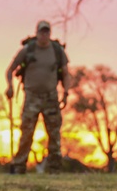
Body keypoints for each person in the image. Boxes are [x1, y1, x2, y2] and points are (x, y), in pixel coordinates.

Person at [5, 20, 71, 174]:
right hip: (31, 97)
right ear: (36, 33)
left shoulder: (57, 51)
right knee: (27, 133)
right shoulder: (28, 50)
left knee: (54, 134)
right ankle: (19, 167)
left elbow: (66, 74)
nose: (44, 34)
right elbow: (9, 70)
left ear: (50, 33)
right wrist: (10, 86)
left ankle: (54, 170)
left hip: (51, 97)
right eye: (41, 31)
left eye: (47, 31)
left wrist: (66, 93)